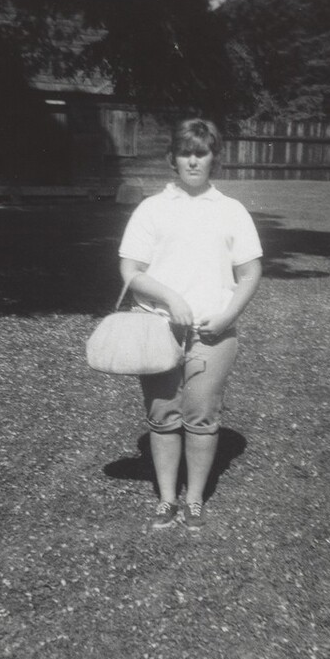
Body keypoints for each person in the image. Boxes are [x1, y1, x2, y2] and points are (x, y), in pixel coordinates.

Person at [118, 118, 263, 531]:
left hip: (212, 333)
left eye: (201, 153)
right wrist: (172, 298)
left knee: (201, 417)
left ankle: (194, 500)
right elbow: (130, 269)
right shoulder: (152, 208)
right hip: (157, 327)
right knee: (163, 415)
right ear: (173, 159)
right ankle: (167, 499)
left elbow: (250, 272)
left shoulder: (231, 211)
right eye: (185, 153)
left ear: (214, 158)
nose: (193, 161)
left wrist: (228, 316)